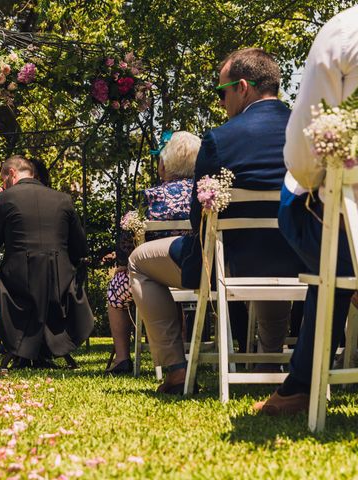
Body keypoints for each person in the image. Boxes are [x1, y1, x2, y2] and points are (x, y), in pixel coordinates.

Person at [130, 48, 304, 394]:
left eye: (221, 92)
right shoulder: (307, 132)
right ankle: (269, 360)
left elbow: (199, 220)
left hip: (229, 263)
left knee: (139, 261)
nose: (221, 101)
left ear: (243, 87)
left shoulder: (220, 139)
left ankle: (176, 369)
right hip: (298, 257)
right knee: (272, 246)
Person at [254, 5, 358, 415]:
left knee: (306, 212)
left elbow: (302, 154)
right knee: (333, 254)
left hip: (349, 225)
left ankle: (301, 384)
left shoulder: (344, 31)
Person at [0, 155, 94, 367]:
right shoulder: (63, 199)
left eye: (3, 178)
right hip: (59, 282)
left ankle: (23, 349)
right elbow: (80, 248)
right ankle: (48, 349)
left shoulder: (4, 200)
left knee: (2, 275)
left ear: (12, 174)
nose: (3, 184)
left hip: (19, 283)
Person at [106, 131, 200, 375]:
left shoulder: (151, 197)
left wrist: (122, 264)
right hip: (200, 271)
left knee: (117, 288)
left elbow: (128, 243)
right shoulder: (205, 195)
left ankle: (123, 358)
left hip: (154, 276)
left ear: (165, 164)